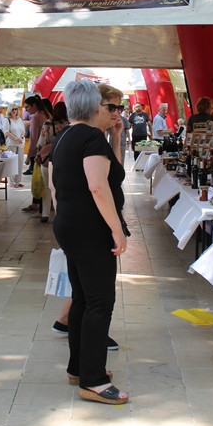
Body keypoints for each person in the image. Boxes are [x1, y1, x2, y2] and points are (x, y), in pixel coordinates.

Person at [48, 79, 129, 405]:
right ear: (96, 106)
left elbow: (56, 187)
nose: (113, 111)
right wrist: (116, 229)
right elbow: (98, 186)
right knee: (99, 302)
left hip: (71, 226)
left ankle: (79, 368)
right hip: (90, 229)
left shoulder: (64, 136)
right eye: (109, 106)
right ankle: (93, 379)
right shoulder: (91, 138)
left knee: (82, 298)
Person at [34, 101, 69, 223]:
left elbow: (41, 143)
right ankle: (60, 213)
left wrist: (39, 154)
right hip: (65, 161)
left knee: (47, 186)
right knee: (62, 188)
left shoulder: (48, 124)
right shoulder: (69, 125)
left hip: (48, 160)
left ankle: (45, 214)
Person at [21, 96, 50, 210]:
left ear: (34, 105)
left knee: (38, 180)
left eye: (27, 107)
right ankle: (40, 204)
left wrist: (28, 156)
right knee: (45, 180)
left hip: (38, 153)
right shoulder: (47, 115)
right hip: (49, 152)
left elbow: (33, 139)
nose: (26, 110)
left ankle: (39, 205)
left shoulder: (36, 117)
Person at [4, 106, 26, 187]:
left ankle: (18, 181)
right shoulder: (7, 120)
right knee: (12, 162)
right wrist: (16, 139)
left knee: (19, 162)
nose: (14, 111)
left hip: (20, 143)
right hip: (11, 143)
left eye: (15, 109)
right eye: (12, 109)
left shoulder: (19, 120)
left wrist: (21, 138)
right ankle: (12, 182)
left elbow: (23, 130)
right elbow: (6, 132)